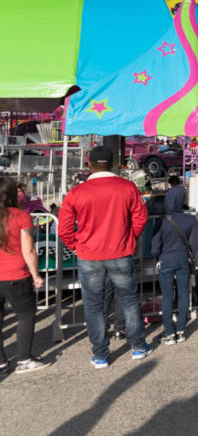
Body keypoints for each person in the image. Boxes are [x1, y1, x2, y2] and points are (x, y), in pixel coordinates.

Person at [58, 146, 151, 368]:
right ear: (113, 164)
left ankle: (100, 353)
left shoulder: (77, 192)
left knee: (94, 305)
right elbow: (140, 218)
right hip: (120, 251)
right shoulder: (127, 187)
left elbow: (64, 228)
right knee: (128, 299)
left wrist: (76, 246)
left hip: (89, 254)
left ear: (89, 163)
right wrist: (130, 238)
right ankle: (138, 346)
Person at [0, 177, 48, 374]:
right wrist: (36, 275)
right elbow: (28, 250)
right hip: (16, 274)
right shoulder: (21, 216)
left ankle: (1, 362)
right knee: (25, 316)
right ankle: (24, 359)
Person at [150, 184, 198, 345]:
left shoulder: (161, 222)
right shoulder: (190, 219)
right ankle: (181, 329)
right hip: (183, 259)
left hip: (165, 260)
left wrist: (157, 257)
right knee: (183, 294)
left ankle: (169, 331)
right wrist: (189, 251)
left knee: (167, 296)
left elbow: (154, 247)